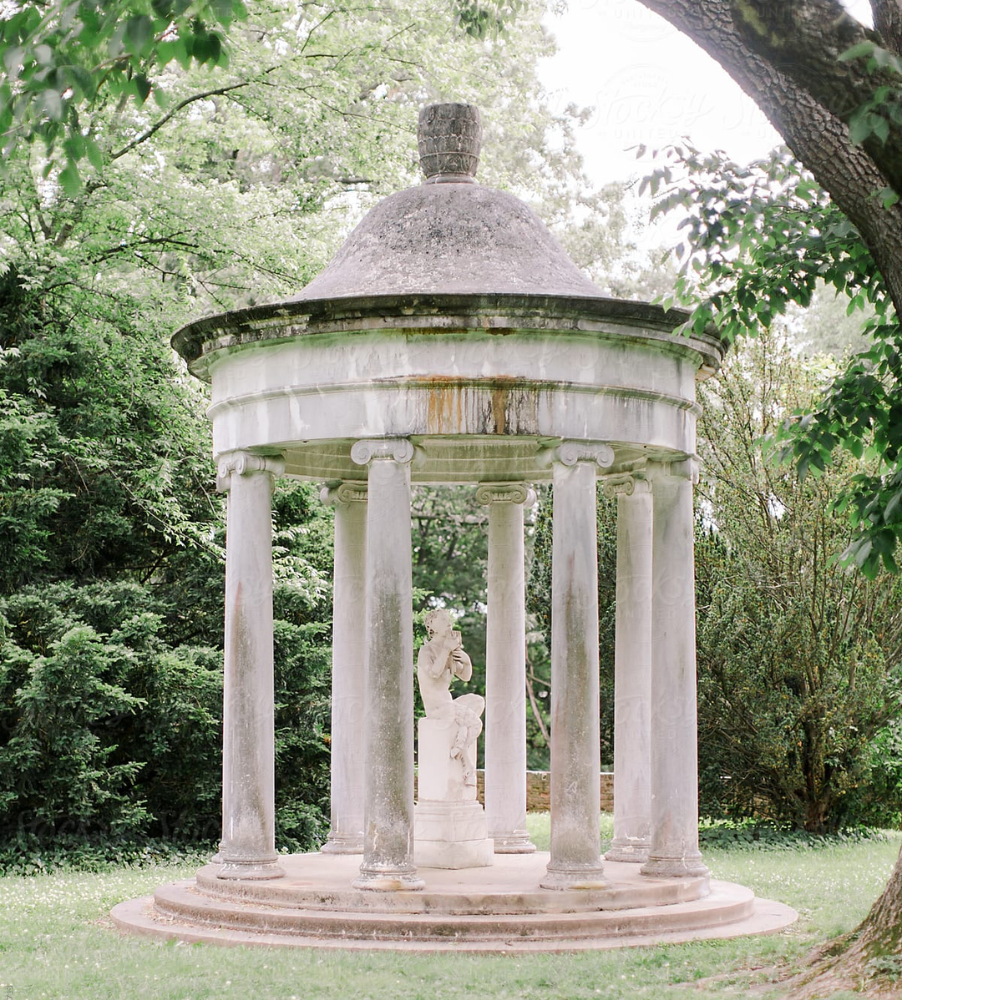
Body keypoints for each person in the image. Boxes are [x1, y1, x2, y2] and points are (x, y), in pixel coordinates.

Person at [416, 609, 484, 787]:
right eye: (443, 620)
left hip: (448, 704)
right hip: (437, 707)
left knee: (478, 701)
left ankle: (460, 742)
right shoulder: (426, 650)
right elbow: (434, 673)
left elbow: (465, 676)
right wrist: (446, 649)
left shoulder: (450, 651)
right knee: (475, 723)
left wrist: (467, 661)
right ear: (431, 625)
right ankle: (465, 760)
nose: (449, 623)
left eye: (449, 620)